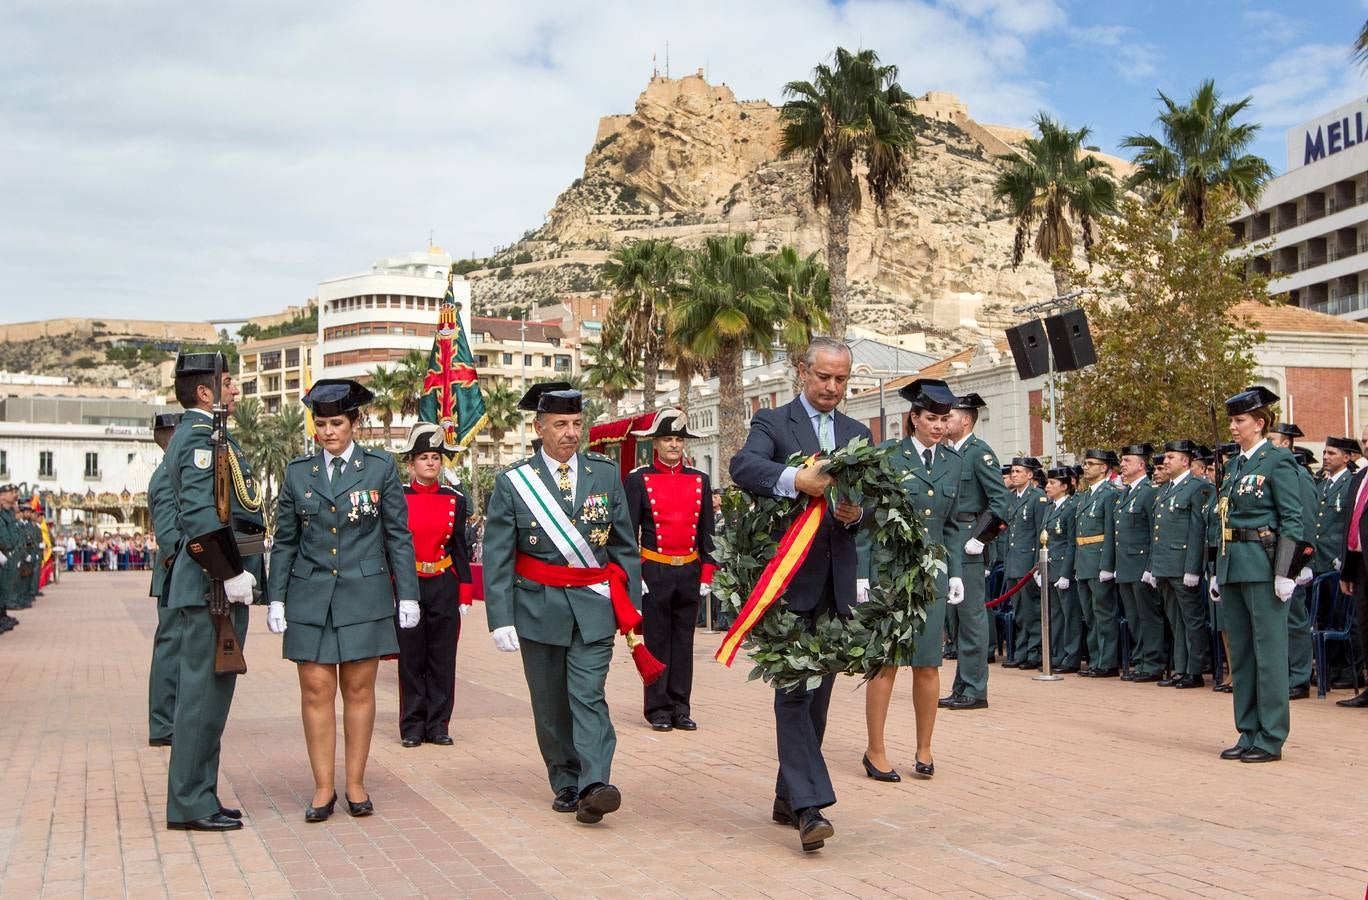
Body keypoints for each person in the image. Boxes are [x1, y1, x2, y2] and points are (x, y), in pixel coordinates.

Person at [730, 337, 869, 853]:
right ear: (802, 373)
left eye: (841, 380)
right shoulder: (774, 422)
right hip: (787, 583)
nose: (832, 388)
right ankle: (811, 807)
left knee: (819, 700)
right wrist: (795, 479)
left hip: (837, 586)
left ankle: (788, 797)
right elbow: (743, 468)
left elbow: (873, 498)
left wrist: (859, 515)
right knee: (792, 693)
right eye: (824, 377)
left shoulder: (858, 432)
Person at [483, 382, 642, 826]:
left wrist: (630, 606)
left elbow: (625, 546)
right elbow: (497, 554)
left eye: (576, 424)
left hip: (594, 605)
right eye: (560, 425)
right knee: (551, 703)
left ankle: (595, 784)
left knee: (588, 695)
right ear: (539, 428)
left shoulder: (605, 474)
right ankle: (565, 778)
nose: (571, 433)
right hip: (538, 607)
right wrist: (500, 617)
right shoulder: (514, 483)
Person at [264, 379, 419, 821]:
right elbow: (287, 541)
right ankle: (322, 787)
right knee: (315, 689)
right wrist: (276, 599)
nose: (328, 432)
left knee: (358, 688)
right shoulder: (298, 473)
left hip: (364, 594)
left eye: (336, 423)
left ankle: (355, 784)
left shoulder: (379, 468)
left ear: (355, 423)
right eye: (321, 423)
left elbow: (398, 537)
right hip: (310, 595)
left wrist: (407, 594)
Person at [163, 352, 266, 832]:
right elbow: (203, 516)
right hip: (210, 585)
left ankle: (201, 793)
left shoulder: (209, 434)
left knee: (211, 699)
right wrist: (228, 573)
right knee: (201, 700)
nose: (234, 390)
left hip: (215, 584)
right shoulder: (200, 437)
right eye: (227, 382)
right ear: (205, 392)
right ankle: (189, 802)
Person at [862, 379, 962, 784]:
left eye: (944, 420)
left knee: (927, 663)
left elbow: (953, 524)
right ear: (914, 419)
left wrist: (954, 570)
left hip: (931, 572)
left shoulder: (953, 463)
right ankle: (876, 749)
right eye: (931, 419)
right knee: (885, 661)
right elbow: (868, 520)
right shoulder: (888, 456)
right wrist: (861, 575)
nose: (939, 426)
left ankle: (924, 748)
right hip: (890, 569)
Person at [1212, 386, 1305, 762]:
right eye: (1232, 421)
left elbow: (1292, 519)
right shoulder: (1233, 466)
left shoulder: (1277, 460)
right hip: (1233, 563)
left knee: (1268, 654)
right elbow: (1220, 519)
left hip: (1264, 566)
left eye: (1240, 421)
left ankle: (1271, 736)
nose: (1234, 427)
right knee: (1244, 656)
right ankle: (1248, 730)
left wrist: (1286, 571)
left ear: (1260, 423)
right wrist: (1217, 569)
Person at [624, 408, 716, 732]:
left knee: (684, 643)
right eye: (668, 439)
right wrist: (635, 575)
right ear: (656, 444)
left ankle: (681, 706)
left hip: (688, 570)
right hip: (655, 571)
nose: (674, 445)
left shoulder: (700, 481)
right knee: (657, 641)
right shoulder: (639, 480)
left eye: (678, 439)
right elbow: (626, 534)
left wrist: (707, 574)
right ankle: (658, 708)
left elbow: (708, 534)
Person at [396, 423, 474, 748]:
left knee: (443, 657)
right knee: (411, 658)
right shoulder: (398, 498)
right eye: (424, 457)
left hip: (443, 582)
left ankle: (439, 723)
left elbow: (460, 548)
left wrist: (465, 591)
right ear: (411, 463)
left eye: (436, 458)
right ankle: (412, 725)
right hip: (410, 584)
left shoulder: (454, 500)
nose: (431, 463)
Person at [939, 392, 1011, 711]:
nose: (944, 421)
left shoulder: (979, 453)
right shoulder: (948, 453)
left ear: (966, 420)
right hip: (949, 539)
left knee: (971, 617)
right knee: (956, 619)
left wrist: (982, 538)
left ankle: (975, 689)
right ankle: (962, 685)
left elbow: (1001, 502)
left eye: (949, 416)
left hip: (969, 539)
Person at [1146, 440, 1213, 689]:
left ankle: (1194, 670)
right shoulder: (1164, 489)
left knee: (1191, 619)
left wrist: (1193, 569)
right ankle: (1180, 668)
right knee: (1175, 620)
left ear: (1185, 461)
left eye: (1171, 457)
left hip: (1183, 564)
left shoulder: (1197, 487)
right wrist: (1153, 566)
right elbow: (1157, 533)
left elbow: (1198, 531)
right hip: (1165, 564)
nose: (1165, 461)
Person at [147, 412, 184, 748]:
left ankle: (171, 719)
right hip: (176, 573)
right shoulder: (166, 475)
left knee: (177, 649)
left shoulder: (172, 470)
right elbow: (168, 533)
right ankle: (162, 724)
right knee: (170, 650)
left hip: (179, 572)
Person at [1114, 444, 1164, 683]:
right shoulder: (1126, 493)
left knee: (1148, 617)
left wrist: (1150, 567)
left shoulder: (1148, 491)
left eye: (1127, 460)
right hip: (1125, 565)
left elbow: (1154, 532)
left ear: (1142, 465)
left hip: (1141, 564)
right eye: (1122, 461)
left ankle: (1153, 662)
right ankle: (1141, 658)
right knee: (1134, 618)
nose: (1122, 465)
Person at [1072, 449, 1122, 678]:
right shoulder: (1086, 494)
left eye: (1091, 463)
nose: (1086, 467)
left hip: (1099, 559)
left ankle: (1108, 661)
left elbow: (1110, 532)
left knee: (1104, 613)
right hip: (1084, 560)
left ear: (1104, 468)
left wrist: (1107, 565)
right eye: (1086, 463)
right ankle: (1095, 658)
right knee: (1090, 614)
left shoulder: (1110, 494)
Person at [1002, 457, 1049, 669]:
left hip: (1027, 563)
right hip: (1013, 561)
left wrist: (1037, 564)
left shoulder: (1037, 498)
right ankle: (1021, 651)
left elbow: (1041, 532)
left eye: (1019, 471)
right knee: (1019, 611)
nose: (1014, 474)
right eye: (1012, 471)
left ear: (1030, 475)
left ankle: (1034, 651)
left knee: (1031, 610)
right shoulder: (1011, 498)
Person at [1337, 435, 1368, 708]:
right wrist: (1346, 571)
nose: (1367, 444)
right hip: (1359, 565)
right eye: (1365, 440)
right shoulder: (1359, 479)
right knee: (1364, 627)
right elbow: (1349, 524)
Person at [1040, 468, 1078, 672]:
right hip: (1050, 567)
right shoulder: (1050, 507)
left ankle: (1071, 657)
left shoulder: (1070, 508)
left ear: (1065, 486)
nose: (1048, 486)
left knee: (1069, 615)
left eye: (1053, 483)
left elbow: (1071, 543)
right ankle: (1057, 654)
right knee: (1054, 614)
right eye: (1048, 482)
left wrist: (1066, 573)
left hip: (1063, 569)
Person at [0, 484, 19, 635]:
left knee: (5, 586)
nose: (14, 495)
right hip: (3, 553)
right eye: (11, 493)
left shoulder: (8, 513)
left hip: (8, 553)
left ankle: (3, 615)